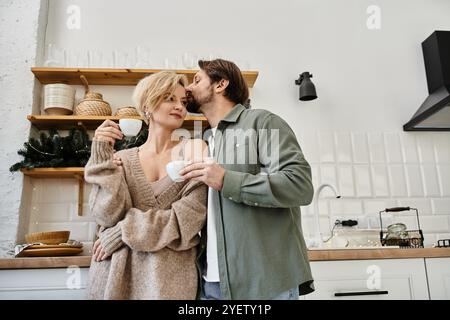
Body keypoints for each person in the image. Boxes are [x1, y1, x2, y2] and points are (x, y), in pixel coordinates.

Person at [179, 59, 315, 300]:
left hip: (264, 284)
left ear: (221, 84)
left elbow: (300, 185)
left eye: (197, 80)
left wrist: (226, 180)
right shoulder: (207, 140)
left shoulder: (262, 122)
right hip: (211, 284)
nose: (189, 87)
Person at [84, 71, 208, 299]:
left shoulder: (194, 151)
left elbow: (188, 219)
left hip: (170, 281)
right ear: (148, 105)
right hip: (117, 276)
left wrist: (122, 232)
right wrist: (101, 155)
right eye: (170, 98)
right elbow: (106, 215)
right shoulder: (123, 158)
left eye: (183, 101)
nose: (179, 107)